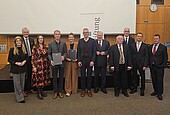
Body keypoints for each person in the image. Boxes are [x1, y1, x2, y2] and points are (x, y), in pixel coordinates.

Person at [8, 36, 28, 103]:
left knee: (22, 83)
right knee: (17, 84)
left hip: (23, 68)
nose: (18, 42)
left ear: (21, 42)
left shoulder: (24, 49)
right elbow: (9, 59)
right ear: (15, 42)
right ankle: (20, 98)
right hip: (15, 69)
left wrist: (24, 61)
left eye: (19, 41)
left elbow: (27, 57)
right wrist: (16, 63)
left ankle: (21, 93)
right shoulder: (12, 49)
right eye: (17, 41)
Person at [48, 30, 67, 99]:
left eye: (58, 34)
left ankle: (60, 91)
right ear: (54, 35)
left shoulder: (63, 43)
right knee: (55, 78)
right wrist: (51, 60)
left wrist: (63, 57)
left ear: (60, 35)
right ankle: (55, 92)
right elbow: (49, 54)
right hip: (54, 63)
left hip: (62, 63)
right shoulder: (51, 44)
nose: (57, 35)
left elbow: (65, 52)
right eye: (56, 34)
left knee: (61, 78)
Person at [149, 34, 168, 100]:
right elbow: (150, 56)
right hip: (152, 66)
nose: (155, 40)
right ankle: (155, 91)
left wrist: (163, 65)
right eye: (154, 38)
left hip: (160, 67)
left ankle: (160, 93)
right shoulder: (150, 46)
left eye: (156, 38)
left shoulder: (163, 47)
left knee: (159, 80)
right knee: (154, 79)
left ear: (159, 39)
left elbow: (165, 57)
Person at [77, 28, 95, 97]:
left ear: (89, 33)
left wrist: (93, 61)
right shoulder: (80, 41)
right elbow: (78, 52)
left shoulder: (92, 41)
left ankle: (89, 90)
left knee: (90, 76)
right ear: (83, 33)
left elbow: (94, 52)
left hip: (89, 60)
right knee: (83, 76)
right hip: (82, 60)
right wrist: (79, 61)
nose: (85, 33)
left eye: (87, 32)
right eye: (84, 32)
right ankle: (83, 90)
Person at [32, 35, 51, 100]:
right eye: (39, 38)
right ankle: (39, 93)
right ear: (37, 39)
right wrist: (33, 66)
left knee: (44, 79)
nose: (41, 39)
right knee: (39, 79)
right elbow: (33, 57)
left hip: (45, 65)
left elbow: (47, 55)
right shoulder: (35, 47)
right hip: (38, 65)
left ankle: (42, 91)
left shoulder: (45, 47)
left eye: (42, 38)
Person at [22, 27, 36, 96]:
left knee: (31, 74)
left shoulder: (31, 40)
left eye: (27, 32)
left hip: (31, 59)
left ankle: (30, 89)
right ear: (22, 33)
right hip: (24, 60)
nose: (26, 34)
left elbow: (33, 49)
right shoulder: (20, 40)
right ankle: (25, 90)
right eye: (25, 32)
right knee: (25, 75)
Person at [64, 33, 78, 97]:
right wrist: (66, 58)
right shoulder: (66, 44)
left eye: (72, 37)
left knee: (74, 76)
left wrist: (77, 59)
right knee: (68, 77)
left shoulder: (77, 44)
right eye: (70, 37)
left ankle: (74, 90)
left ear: (74, 38)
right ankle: (68, 90)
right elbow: (64, 53)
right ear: (68, 38)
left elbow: (79, 53)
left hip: (75, 62)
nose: (71, 38)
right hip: (68, 62)